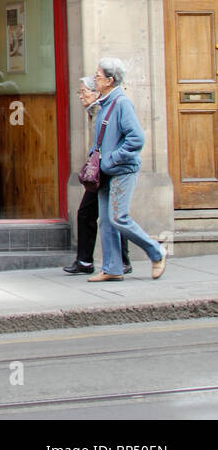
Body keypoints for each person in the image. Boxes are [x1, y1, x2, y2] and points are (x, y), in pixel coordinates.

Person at [87, 58, 166, 282]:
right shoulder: (104, 103)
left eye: (98, 75)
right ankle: (112, 268)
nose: (95, 78)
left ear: (110, 80)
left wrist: (113, 158)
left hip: (121, 169)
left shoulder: (121, 103)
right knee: (106, 219)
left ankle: (157, 252)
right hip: (105, 170)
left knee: (118, 217)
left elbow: (136, 138)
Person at [63, 76, 132, 274]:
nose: (81, 96)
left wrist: (111, 160)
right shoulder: (94, 111)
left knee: (114, 215)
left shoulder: (108, 109)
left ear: (96, 93)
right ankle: (86, 261)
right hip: (100, 170)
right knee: (92, 213)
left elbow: (130, 137)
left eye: (84, 91)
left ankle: (123, 260)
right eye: (80, 92)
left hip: (110, 169)